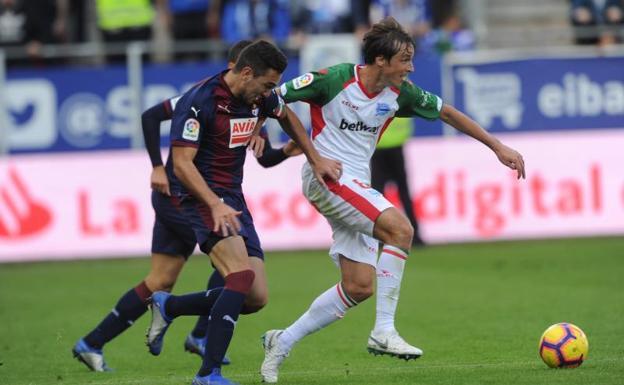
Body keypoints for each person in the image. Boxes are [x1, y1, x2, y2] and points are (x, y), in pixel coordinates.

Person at [260, 17, 525, 383]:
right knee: (401, 229)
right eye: (405, 59)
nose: (411, 67)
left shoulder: (401, 93)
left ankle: (281, 341)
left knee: (358, 286)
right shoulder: (333, 79)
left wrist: (497, 146)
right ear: (381, 61)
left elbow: (447, 112)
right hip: (327, 177)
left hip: (356, 183)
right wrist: (280, 143)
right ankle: (383, 331)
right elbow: (272, 97)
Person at [71, 40, 302, 372]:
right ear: (241, 68)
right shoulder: (203, 99)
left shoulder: (253, 107)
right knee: (234, 265)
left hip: (199, 195)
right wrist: (155, 166)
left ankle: (92, 342)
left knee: (162, 279)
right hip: (182, 196)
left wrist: (288, 152)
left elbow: (263, 158)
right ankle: (200, 335)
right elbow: (151, 116)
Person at [144, 40, 340, 385]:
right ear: (246, 72)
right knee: (239, 277)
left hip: (233, 197)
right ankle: (208, 374)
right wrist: (214, 203)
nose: (269, 92)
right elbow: (182, 164)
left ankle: (169, 306)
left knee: (255, 298)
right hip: (200, 197)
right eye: (266, 84)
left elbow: (288, 115)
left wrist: (315, 158)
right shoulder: (198, 102)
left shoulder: (261, 96)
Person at [370, 117, 423, 246]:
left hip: (378, 148)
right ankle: (415, 237)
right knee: (404, 194)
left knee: (377, 197)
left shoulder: (374, 100)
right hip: (396, 147)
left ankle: (379, 238)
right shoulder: (398, 98)